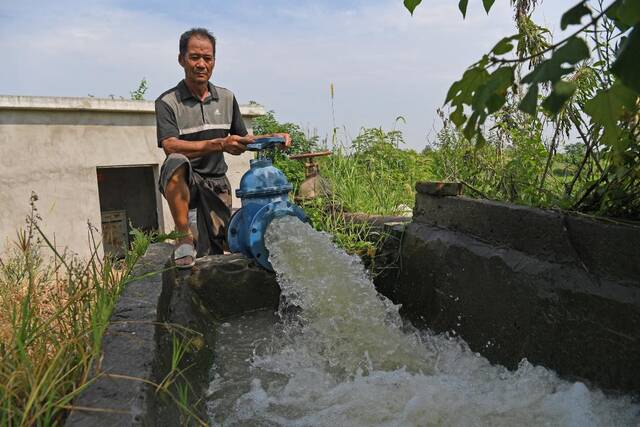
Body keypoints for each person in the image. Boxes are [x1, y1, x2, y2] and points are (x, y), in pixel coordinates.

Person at [155, 28, 289, 268]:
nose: (201, 64)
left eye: (207, 58)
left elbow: (242, 138)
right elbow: (170, 145)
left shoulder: (226, 98)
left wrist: (273, 136)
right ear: (181, 59)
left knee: (217, 250)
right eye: (194, 57)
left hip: (217, 184)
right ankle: (183, 235)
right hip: (186, 183)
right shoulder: (168, 102)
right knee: (175, 160)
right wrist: (219, 144)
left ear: (214, 61)